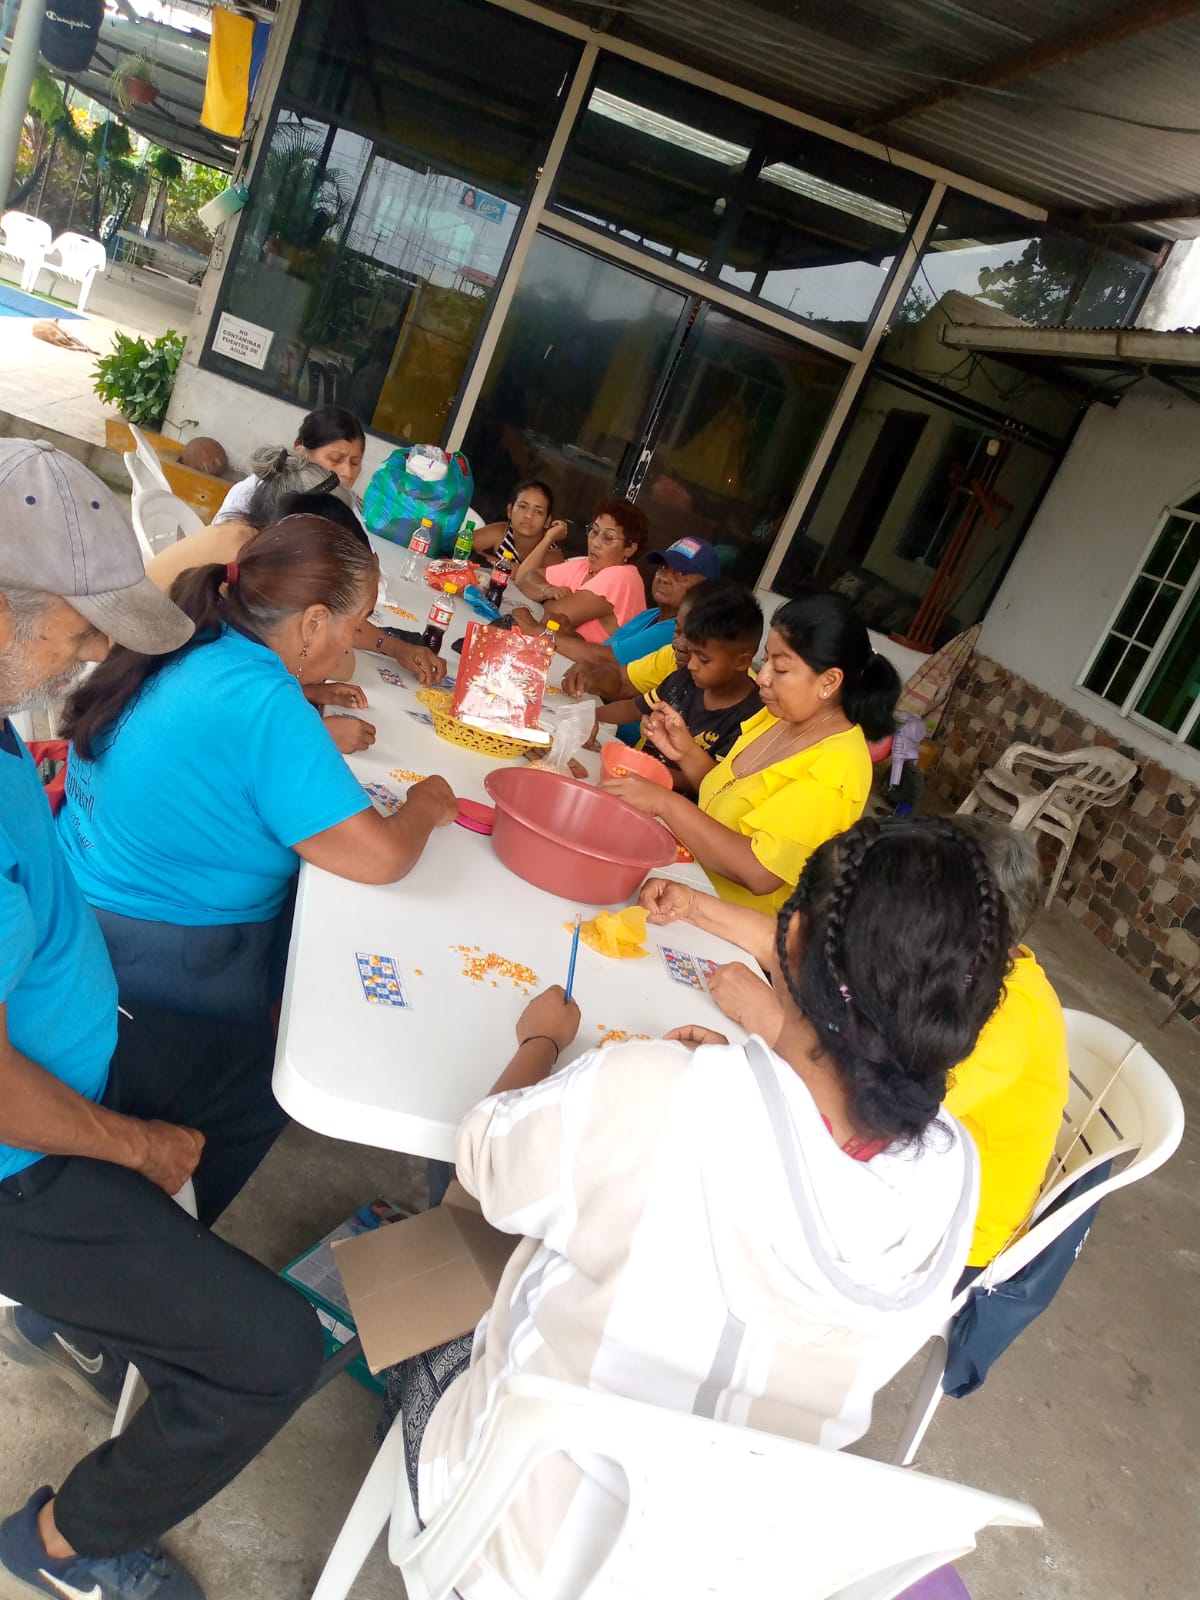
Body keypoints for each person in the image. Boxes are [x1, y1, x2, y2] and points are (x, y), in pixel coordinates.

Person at [380, 817, 1009, 1599]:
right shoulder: (955, 1173)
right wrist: (737, 1082)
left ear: (794, 942)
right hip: (720, 1567)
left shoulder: (658, 1091)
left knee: (429, 1313)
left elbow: (483, 1158)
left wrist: (541, 1043)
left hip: (517, 1552)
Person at [0, 439, 324, 1600]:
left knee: (259, 1076)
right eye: (81, 625)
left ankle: (95, 1314)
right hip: (18, 1156)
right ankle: (59, 1543)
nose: (96, 649)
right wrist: (135, 1146)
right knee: (274, 1354)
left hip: (76, 1048)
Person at [57, 516, 458, 1027]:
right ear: (313, 623)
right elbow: (383, 857)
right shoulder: (267, 703)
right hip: (150, 958)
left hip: (78, 895)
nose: (350, 646)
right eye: (355, 625)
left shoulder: (198, 629)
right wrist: (426, 803)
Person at [603, 592, 900, 914]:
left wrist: (664, 801)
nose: (763, 678)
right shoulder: (779, 717)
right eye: (766, 660)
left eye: (780, 669)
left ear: (829, 681)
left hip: (716, 919)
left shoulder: (837, 767)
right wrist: (684, 750)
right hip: (679, 883)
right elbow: (727, 793)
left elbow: (759, 872)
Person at [149, 466, 447, 741]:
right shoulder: (241, 574)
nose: (348, 642)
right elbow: (229, 717)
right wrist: (318, 734)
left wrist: (312, 690)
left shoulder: (255, 562)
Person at [945, 817, 1070, 1275]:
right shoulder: (971, 970)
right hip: (925, 1174)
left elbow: (902, 1104)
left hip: (955, 1238)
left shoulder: (1013, 1013)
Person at [596, 584, 762, 792]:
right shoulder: (687, 678)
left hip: (667, 802)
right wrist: (591, 718)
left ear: (742, 662)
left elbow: (712, 785)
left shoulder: (749, 717)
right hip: (632, 780)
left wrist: (645, 773)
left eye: (703, 659)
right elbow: (635, 708)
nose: (691, 664)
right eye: (693, 653)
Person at [551, 533, 721, 673]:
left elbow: (604, 660)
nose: (665, 578)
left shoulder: (676, 631)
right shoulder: (651, 614)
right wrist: (568, 633)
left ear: (705, 588)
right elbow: (608, 649)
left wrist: (544, 635)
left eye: (681, 574)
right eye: (663, 568)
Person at [511, 497, 648, 643]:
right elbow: (526, 578)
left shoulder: (624, 577)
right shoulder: (585, 565)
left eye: (608, 538)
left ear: (629, 548)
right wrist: (548, 590)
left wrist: (542, 597)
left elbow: (557, 616)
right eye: (594, 531)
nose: (595, 543)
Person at [213, 405, 366, 525]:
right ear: (301, 452)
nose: (347, 472)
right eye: (335, 459)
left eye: (355, 462)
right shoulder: (252, 493)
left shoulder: (347, 507)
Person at [468, 479, 567, 565]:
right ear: (510, 510)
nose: (528, 515)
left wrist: (483, 559)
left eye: (538, 512)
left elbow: (524, 577)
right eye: (523, 507)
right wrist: (505, 565)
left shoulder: (552, 554)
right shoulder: (503, 531)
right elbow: (462, 544)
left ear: (547, 521)